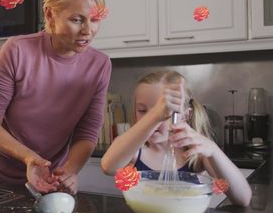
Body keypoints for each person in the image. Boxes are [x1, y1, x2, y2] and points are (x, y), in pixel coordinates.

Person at [0, 0, 112, 194]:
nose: (88, 30)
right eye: (77, 19)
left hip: (47, 180)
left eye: (95, 19)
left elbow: (87, 134)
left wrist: (69, 170)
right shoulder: (17, 50)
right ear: (49, 15)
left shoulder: (100, 65)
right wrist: (30, 158)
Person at [100, 70, 252, 206]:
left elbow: (243, 199)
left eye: (165, 112)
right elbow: (108, 166)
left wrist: (213, 149)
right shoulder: (135, 151)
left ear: (185, 115)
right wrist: (154, 117)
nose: (155, 119)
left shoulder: (195, 156)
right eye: (142, 110)